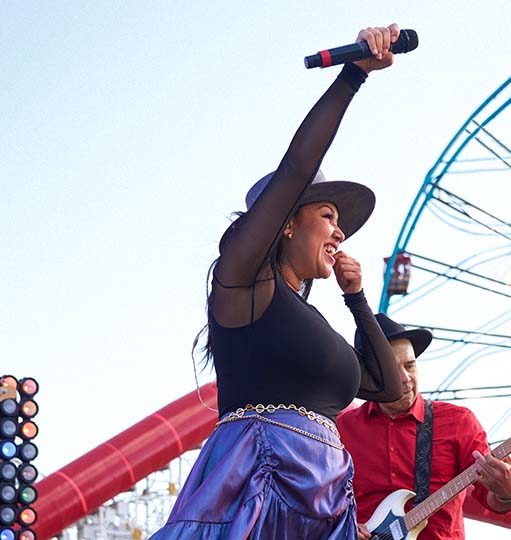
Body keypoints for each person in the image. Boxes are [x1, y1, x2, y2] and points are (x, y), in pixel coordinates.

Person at [149, 24, 404, 540]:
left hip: (326, 499)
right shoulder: (245, 285)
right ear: (287, 220)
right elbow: (294, 169)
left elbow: (390, 388)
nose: (340, 231)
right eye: (328, 215)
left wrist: (356, 301)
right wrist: (353, 76)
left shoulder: (313, 323)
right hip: (256, 480)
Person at [337, 313, 511, 540]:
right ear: (369, 375)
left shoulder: (459, 422)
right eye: (393, 369)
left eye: (410, 365)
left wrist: (509, 493)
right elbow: (318, 500)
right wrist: (344, 527)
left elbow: (492, 499)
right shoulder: (340, 429)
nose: (406, 378)